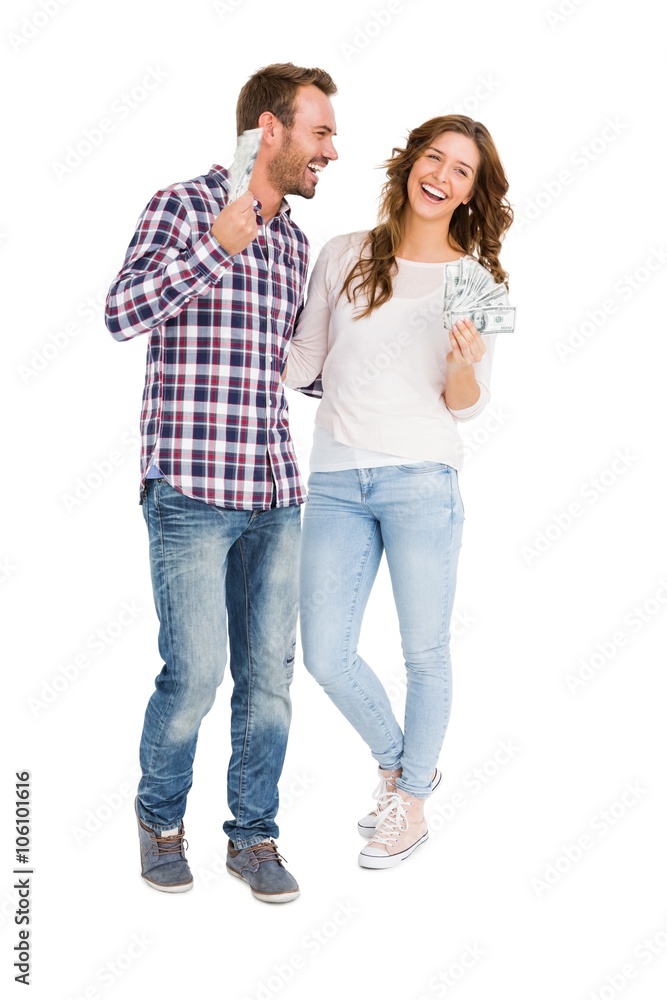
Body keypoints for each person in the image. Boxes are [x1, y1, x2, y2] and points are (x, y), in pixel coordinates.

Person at [104, 62, 338, 900]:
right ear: (268, 129)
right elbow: (120, 313)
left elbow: (293, 369)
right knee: (196, 674)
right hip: (192, 491)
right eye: (319, 131)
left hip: (275, 492)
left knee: (269, 683)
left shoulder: (296, 242)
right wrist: (215, 246)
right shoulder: (180, 205)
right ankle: (160, 820)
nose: (332, 150)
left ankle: (255, 836)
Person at [284, 114, 512, 869]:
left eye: (462, 171)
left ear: (471, 194)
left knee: (424, 651)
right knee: (324, 654)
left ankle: (409, 804)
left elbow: (467, 405)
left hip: (421, 479)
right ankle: (399, 764)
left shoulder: (472, 280)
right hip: (338, 478)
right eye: (434, 158)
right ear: (410, 162)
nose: (441, 176)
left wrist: (463, 361)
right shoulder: (343, 253)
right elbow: (302, 363)